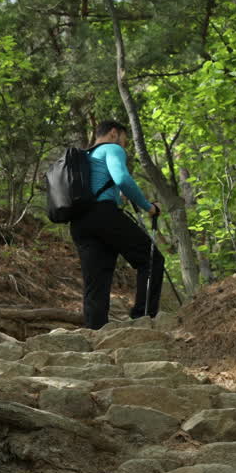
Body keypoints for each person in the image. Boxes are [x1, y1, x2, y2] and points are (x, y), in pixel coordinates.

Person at [70, 120, 164, 330]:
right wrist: (148, 207)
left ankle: (95, 332)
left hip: (79, 222)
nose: (124, 146)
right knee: (151, 260)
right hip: (103, 215)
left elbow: (102, 186)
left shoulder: (86, 157)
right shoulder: (112, 148)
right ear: (114, 133)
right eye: (125, 140)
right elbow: (122, 178)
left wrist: (118, 198)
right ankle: (143, 319)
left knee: (97, 282)